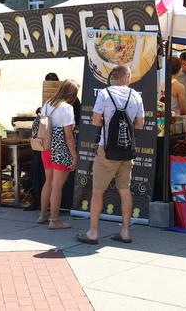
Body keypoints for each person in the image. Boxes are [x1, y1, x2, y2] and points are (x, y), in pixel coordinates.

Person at [76, 65, 144, 245]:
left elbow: (96, 120)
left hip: (106, 150)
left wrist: (108, 124)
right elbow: (140, 124)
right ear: (127, 77)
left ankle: (93, 233)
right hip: (127, 150)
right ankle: (125, 232)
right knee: (125, 191)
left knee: (98, 191)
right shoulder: (136, 95)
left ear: (113, 77)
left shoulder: (104, 94)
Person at [37, 79, 80, 230]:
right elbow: (68, 136)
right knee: (57, 185)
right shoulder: (67, 108)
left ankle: (43, 215)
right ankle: (54, 220)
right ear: (72, 94)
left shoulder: (47, 103)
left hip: (46, 146)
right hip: (60, 148)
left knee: (48, 182)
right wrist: (74, 155)